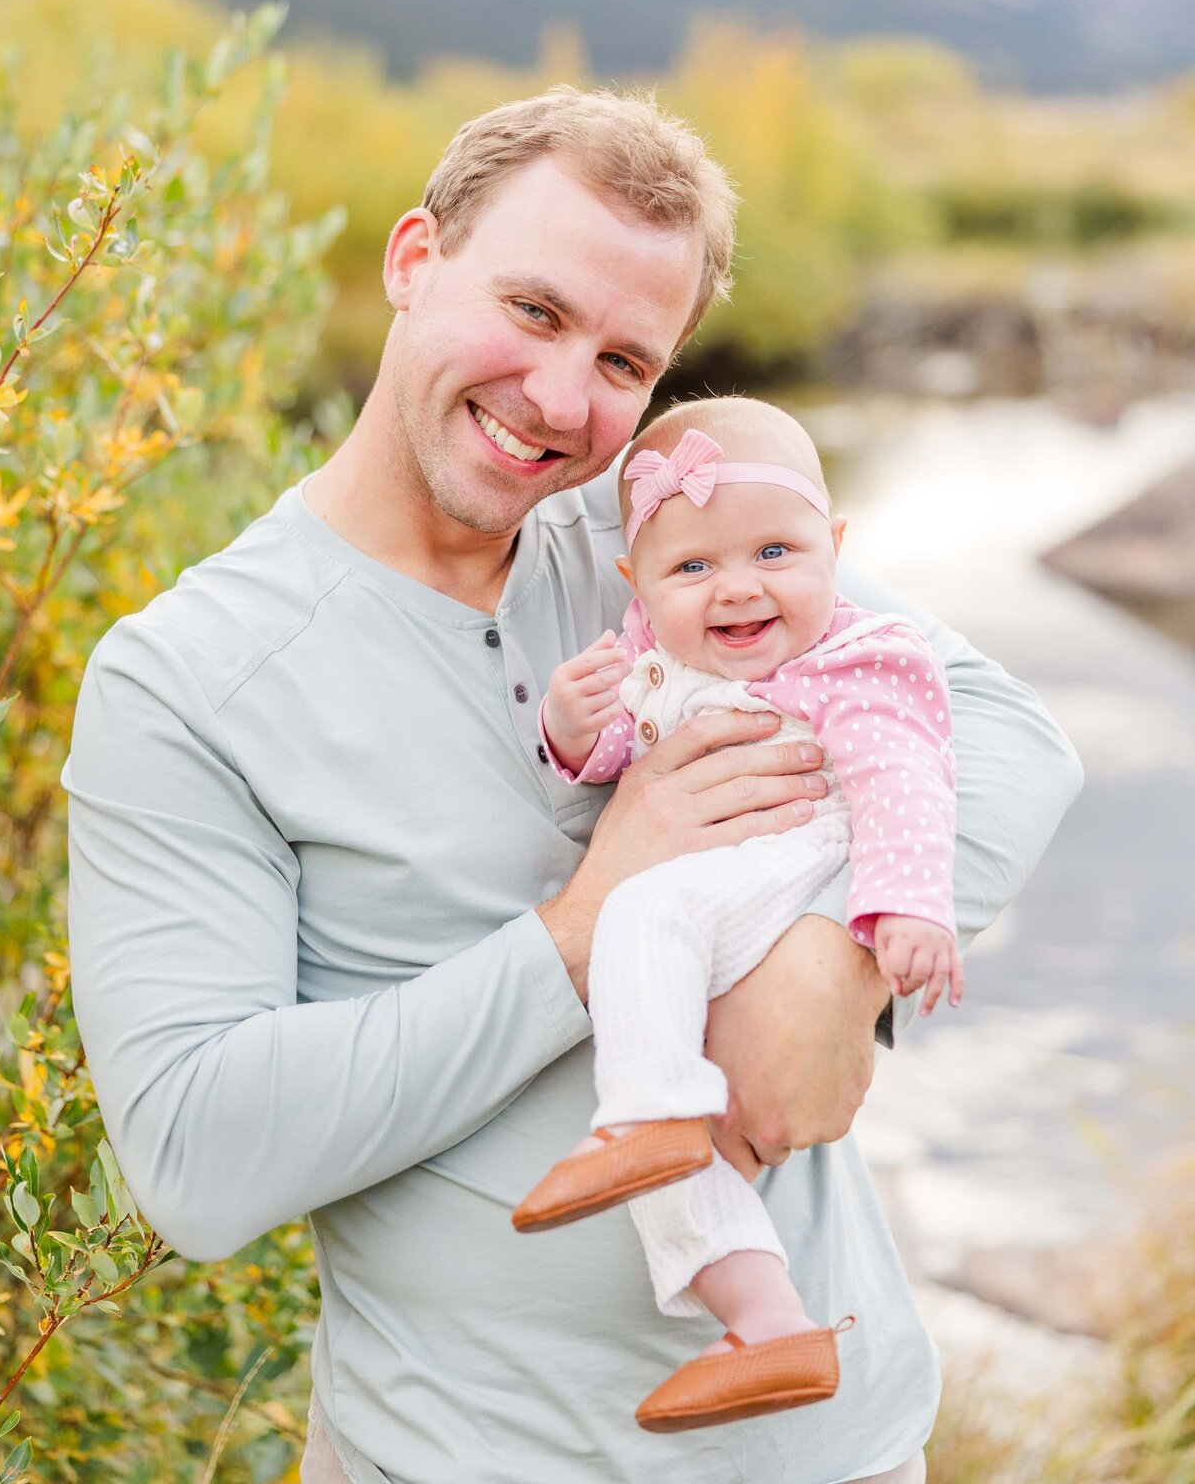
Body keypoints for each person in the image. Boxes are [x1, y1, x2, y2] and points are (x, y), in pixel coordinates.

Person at [64, 87, 1083, 1484]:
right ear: (415, 259)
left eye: (624, 360)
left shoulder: (672, 543)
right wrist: (582, 928)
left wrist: (822, 968)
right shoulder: (187, 678)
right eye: (534, 312)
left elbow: (1008, 737)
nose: (561, 401)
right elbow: (195, 1155)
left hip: (834, 1452)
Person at [515, 397, 964, 1435]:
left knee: (645, 908)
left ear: (835, 549)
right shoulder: (655, 666)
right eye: (693, 569)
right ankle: (765, 1321)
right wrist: (572, 728)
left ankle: (648, 1116)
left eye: (774, 550)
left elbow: (906, 777)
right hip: (719, 914)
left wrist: (905, 904)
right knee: (678, 1175)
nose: (740, 588)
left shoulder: (854, 659)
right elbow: (606, 768)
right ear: (637, 587)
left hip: (793, 858)